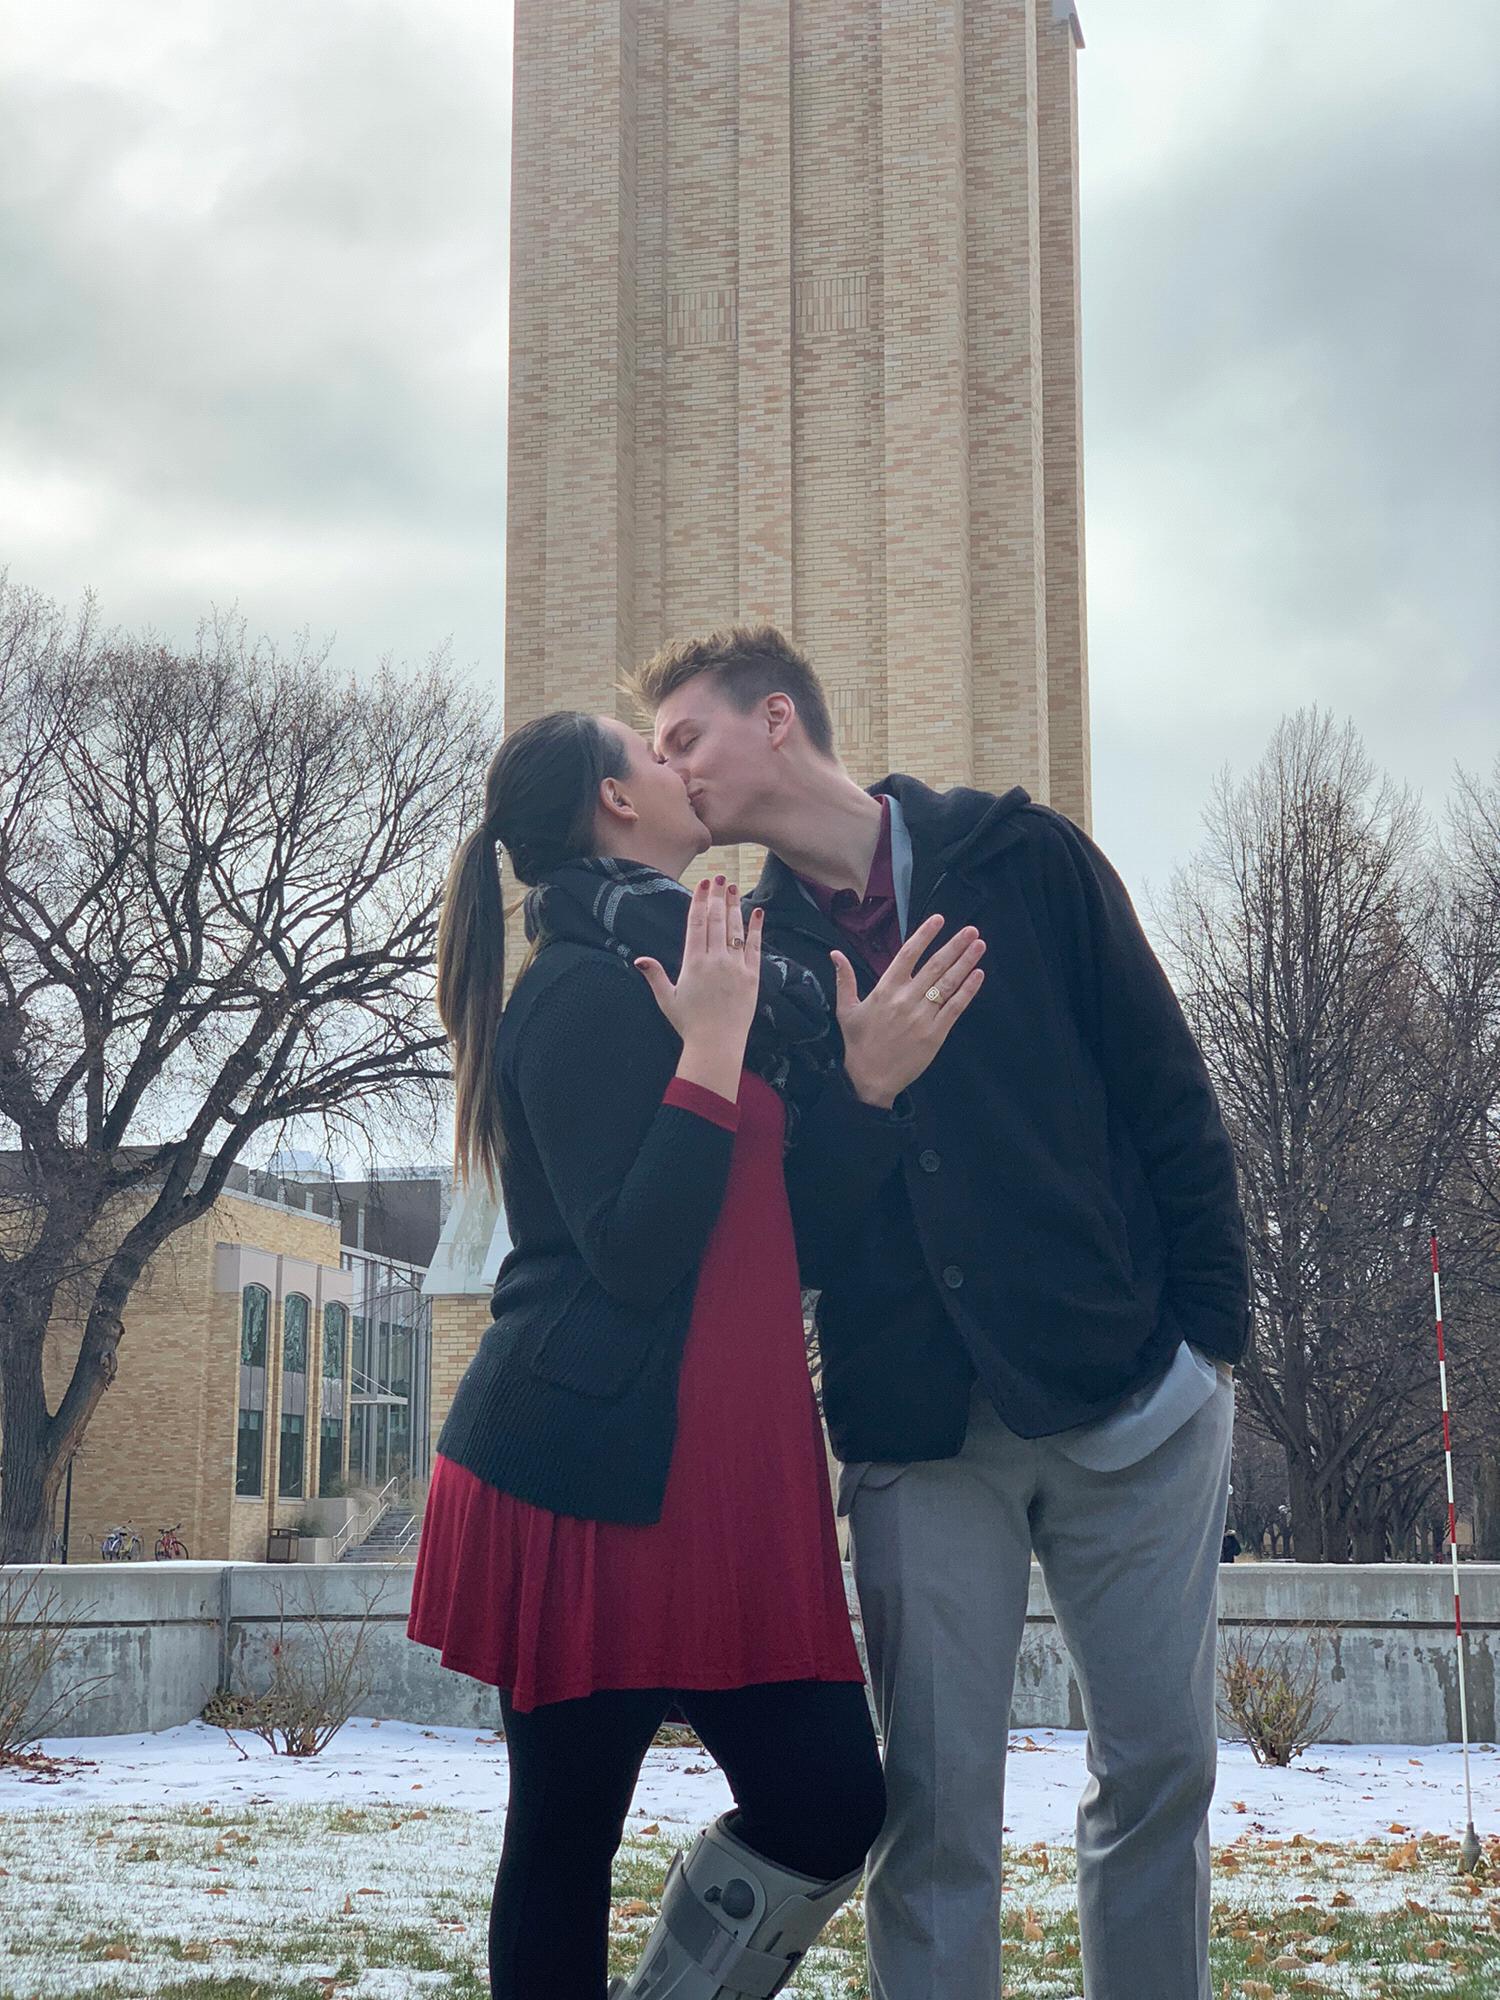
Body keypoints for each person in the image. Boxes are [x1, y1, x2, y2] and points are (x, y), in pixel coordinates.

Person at [629, 627, 1251, 2000]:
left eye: (683, 738)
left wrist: (1211, 1347)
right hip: (920, 1441)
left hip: (1134, 1405)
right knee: (939, 1815)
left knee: (1161, 1774)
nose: (666, 769)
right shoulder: (752, 955)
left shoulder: (1022, 861)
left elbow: (1167, 1092)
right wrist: (862, 1090)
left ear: (776, 720)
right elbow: (783, 1230)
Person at [407, 709, 984, 2000]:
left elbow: (793, 1225)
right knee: (562, 1840)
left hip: (729, 1481)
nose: (680, 770)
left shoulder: (709, 973)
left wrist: (862, 1086)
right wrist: (712, 1052)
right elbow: (632, 1250)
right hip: (588, 1484)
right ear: (615, 799)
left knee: (834, 1801)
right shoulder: (566, 990)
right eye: (653, 753)